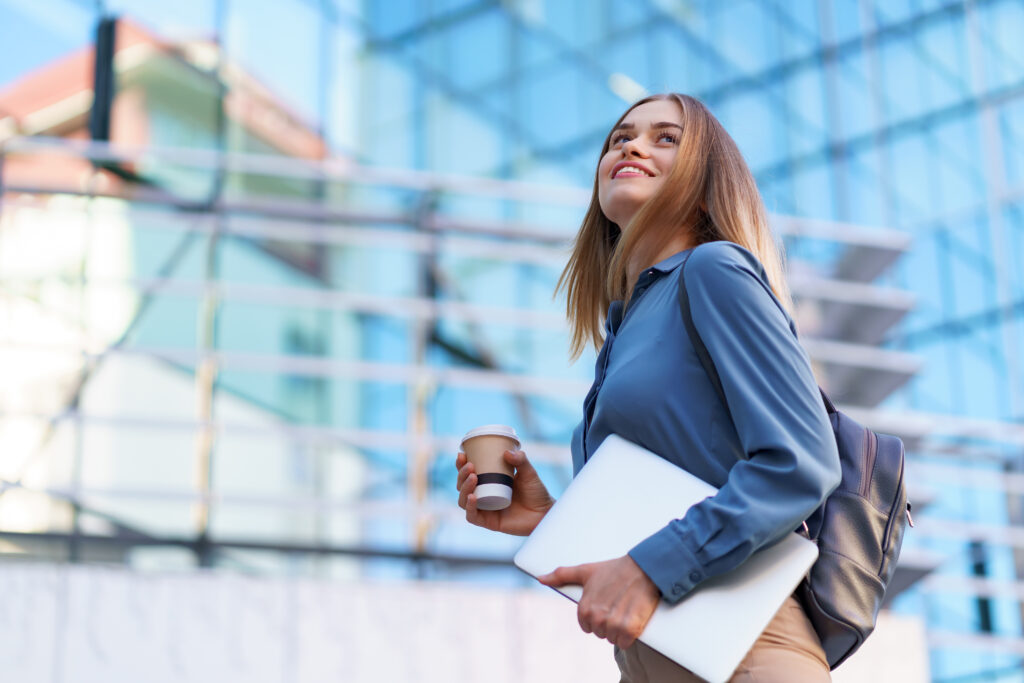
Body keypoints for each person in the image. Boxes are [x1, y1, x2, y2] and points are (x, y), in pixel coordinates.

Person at [454, 93, 842, 682]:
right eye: (619, 138)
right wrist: (551, 520)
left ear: (704, 178)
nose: (631, 145)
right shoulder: (625, 331)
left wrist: (648, 569)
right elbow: (663, 505)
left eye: (666, 138)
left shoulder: (715, 271)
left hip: (749, 655)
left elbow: (801, 465)